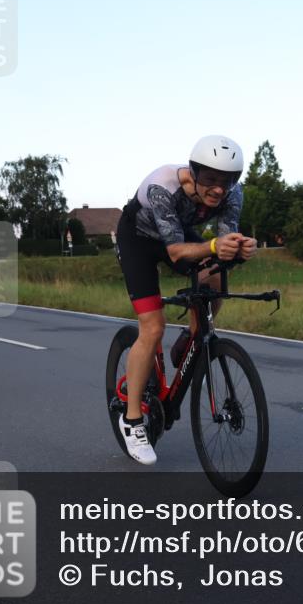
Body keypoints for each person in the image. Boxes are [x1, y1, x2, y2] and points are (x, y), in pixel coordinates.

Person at [115, 135, 257, 464]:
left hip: (176, 234)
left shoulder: (234, 194)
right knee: (152, 328)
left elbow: (225, 241)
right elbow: (176, 251)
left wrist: (241, 249)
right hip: (138, 239)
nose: (219, 189)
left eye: (226, 181)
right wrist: (212, 247)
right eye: (210, 179)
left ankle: (192, 336)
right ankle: (132, 420)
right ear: (193, 172)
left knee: (216, 275)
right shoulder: (162, 185)